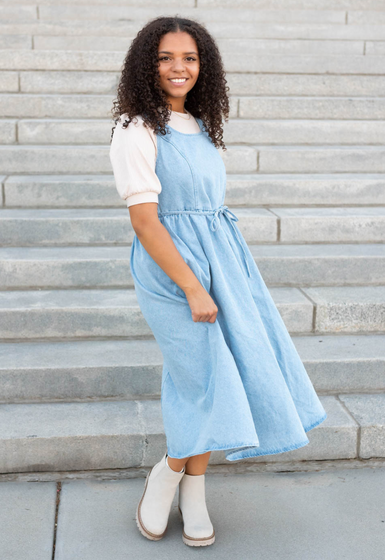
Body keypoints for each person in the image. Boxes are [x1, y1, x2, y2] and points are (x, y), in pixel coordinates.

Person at [109, 16, 327, 547]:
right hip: (172, 270)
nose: (178, 67)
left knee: (223, 374)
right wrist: (191, 285)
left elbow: (209, 209)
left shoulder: (202, 124)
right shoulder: (136, 128)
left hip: (222, 261)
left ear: (203, 65)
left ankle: (193, 487)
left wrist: (224, 274)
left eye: (190, 58)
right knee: (200, 377)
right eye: (165, 58)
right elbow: (145, 221)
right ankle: (168, 473)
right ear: (147, 65)